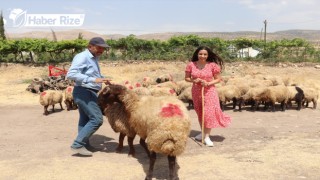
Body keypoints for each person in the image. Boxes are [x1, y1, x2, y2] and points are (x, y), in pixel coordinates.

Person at [67, 37, 111, 156]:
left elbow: (91, 73)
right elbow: (71, 74)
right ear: (90, 46)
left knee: (85, 119)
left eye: (103, 48)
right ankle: (77, 145)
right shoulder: (83, 56)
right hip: (84, 91)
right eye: (99, 47)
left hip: (89, 91)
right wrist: (94, 79)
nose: (101, 50)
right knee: (97, 119)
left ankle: (84, 144)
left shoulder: (94, 58)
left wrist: (102, 78)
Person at [185, 46, 231, 147]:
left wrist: (209, 83)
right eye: (200, 54)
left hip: (209, 91)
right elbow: (187, 78)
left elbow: (218, 79)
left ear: (208, 55)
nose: (203, 56)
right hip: (196, 91)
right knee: (200, 112)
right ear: (197, 54)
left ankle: (207, 137)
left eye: (205, 54)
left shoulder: (212, 65)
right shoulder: (191, 65)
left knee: (208, 114)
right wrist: (194, 80)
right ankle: (202, 132)